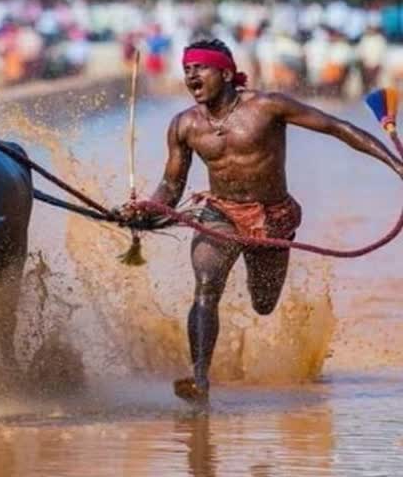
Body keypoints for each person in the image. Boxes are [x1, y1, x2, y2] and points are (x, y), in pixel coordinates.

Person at [121, 38, 403, 405]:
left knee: (264, 303)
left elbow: (337, 127)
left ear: (224, 73)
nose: (191, 75)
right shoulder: (184, 125)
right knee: (206, 286)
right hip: (220, 213)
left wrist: (397, 166)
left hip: (272, 217)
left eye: (199, 68)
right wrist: (144, 209)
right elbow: (170, 188)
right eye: (187, 68)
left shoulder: (268, 106)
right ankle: (199, 378)